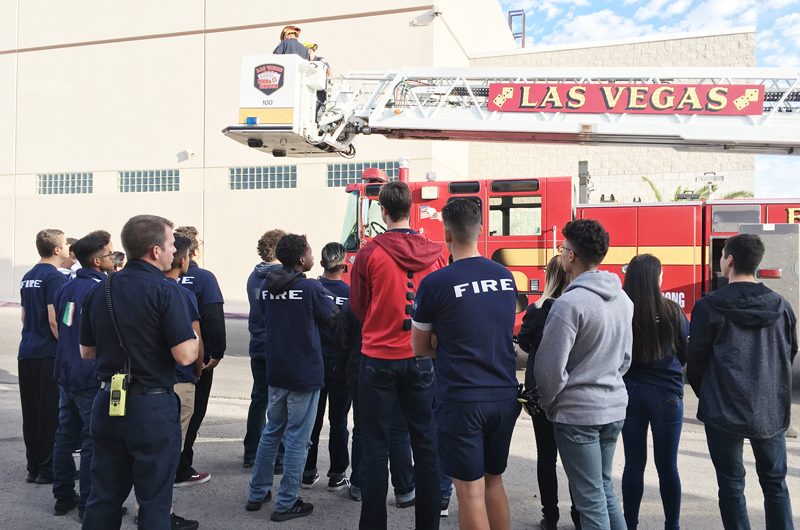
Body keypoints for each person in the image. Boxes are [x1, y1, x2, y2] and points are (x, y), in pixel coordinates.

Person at [79, 214, 198, 530]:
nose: (175, 252)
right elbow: (185, 355)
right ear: (155, 251)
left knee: (103, 497)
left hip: (107, 402)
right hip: (151, 407)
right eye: (172, 245)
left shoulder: (98, 290)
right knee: (154, 502)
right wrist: (196, 335)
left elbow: (86, 352)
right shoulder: (166, 290)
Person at [411, 199, 521, 530]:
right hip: (503, 395)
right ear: (482, 230)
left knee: (469, 493)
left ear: (446, 234)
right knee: (493, 481)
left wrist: (442, 346)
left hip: (462, 398)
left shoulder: (435, 283)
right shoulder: (506, 278)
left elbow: (419, 347)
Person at [350, 179, 446, 530]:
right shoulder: (435, 254)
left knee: (375, 448)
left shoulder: (369, 252)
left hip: (377, 358)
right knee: (425, 444)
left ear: (383, 211)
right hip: (421, 359)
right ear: (412, 210)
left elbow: (358, 306)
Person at [687, 234, 797, 530]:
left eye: (722, 256)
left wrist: (708, 394)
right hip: (770, 409)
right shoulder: (782, 305)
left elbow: (695, 361)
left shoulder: (708, 306)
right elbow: (790, 352)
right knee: (775, 484)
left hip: (723, 408)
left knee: (732, 486)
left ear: (730, 260)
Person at [534, 219, 633, 530]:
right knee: (604, 491)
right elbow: (625, 359)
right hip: (613, 407)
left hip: (578, 414)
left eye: (563, 249)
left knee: (590, 502)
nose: (561, 254)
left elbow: (550, 370)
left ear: (571, 256)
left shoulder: (568, 304)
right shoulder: (623, 299)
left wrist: (550, 404)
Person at [247, 234, 339, 522]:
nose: (313, 258)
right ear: (302, 259)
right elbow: (333, 319)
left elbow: (265, 316)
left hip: (277, 370)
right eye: (310, 253)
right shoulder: (311, 288)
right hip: (304, 372)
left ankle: (257, 492)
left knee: (272, 430)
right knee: (299, 437)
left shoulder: (266, 286)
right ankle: (287, 501)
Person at [620, 254, 688, 530]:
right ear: (656, 278)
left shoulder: (623, 310)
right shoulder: (673, 310)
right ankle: (672, 525)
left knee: (633, 465)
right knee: (668, 466)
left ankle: (630, 524)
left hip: (630, 392)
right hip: (667, 394)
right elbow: (685, 353)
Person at [51, 231, 115, 518]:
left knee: (65, 435)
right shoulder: (103, 288)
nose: (115, 258)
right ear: (98, 261)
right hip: (90, 374)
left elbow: (63, 325)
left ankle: (63, 496)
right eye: (111, 254)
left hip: (66, 371)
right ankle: (89, 503)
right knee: (93, 440)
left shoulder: (67, 287)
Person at [518, 254, 581, 530]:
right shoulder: (577, 307)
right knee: (576, 458)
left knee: (546, 456)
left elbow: (524, 344)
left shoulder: (537, 310)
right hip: (571, 391)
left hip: (539, 393)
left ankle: (551, 516)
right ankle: (579, 514)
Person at [334, 299, 416, 505]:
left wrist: (344, 370)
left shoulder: (354, 304)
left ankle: (359, 485)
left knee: (363, 430)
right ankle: (404, 490)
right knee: (398, 431)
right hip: (399, 367)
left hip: (360, 368)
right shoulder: (401, 299)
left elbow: (342, 342)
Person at [174, 226, 226, 487]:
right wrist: (216, 354)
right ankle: (181, 467)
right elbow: (213, 319)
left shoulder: (160, 279)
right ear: (192, 252)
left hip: (162, 361)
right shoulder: (203, 279)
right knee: (191, 414)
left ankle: (175, 465)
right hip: (196, 359)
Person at [19, 229, 70, 485]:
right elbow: (54, 319)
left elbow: (24, 316)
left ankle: (33, 467)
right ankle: (48, 470)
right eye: (65, 244)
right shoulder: (54, 278)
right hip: (47, 352)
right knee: (49, 414)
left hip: (26, 350)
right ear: (57, 250)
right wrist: (68, 345)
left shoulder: (28, 277)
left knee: (31, 412)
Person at [303, 242, 352, 491]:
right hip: (341, 364)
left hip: (314, 361)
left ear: (321, 263)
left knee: (312, 419)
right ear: (344, 265)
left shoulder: (310, 289)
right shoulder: (351, 292)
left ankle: (308, 471)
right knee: (339, 421)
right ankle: (337, 474)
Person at [244, 229, 286, 469]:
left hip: (256, 342)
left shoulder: (254, 275)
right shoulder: (282, 277)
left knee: (259, 398)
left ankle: (251, 452)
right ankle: (278, 458)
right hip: (276, 345)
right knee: (278, 402)